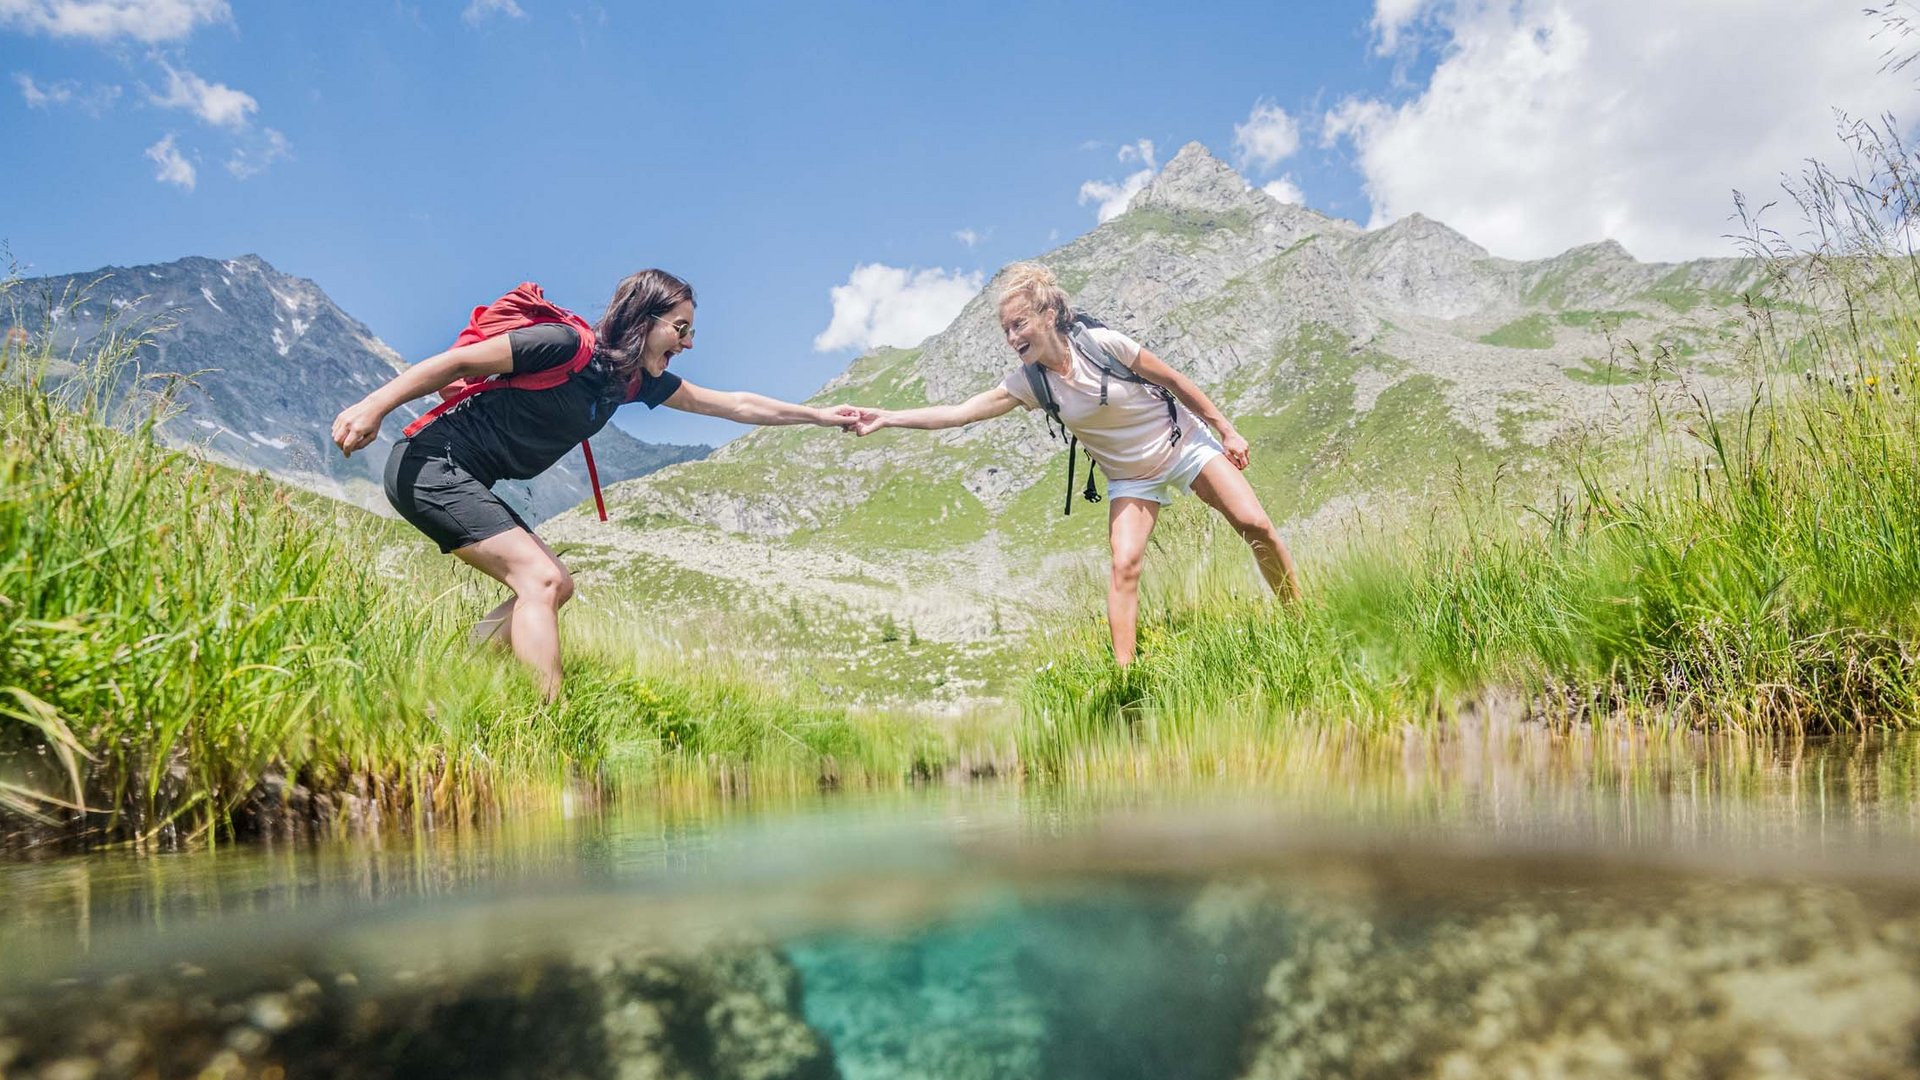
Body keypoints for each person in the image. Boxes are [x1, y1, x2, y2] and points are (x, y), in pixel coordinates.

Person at [332, 269, 857, 697]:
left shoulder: (631, 382)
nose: (689, 342)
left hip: (459, 473)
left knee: (558, 584)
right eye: (681, 327)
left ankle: (449, 673)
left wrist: (822, 416)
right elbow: (459, 362)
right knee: (539, 581)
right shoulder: (563, 346)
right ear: (644, 318)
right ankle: (545, 724)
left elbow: (736, 404)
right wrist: (372, 406)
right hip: (429, 464)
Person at [848, 262, 1300, 666]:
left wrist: (1227, 430)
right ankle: (1126, 673)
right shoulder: (1029, 384)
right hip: (1131, 479)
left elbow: (1175, 380)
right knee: (1124, 563)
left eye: (1019, 324)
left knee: (1254, 524)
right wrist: (887, 417)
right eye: (1006, 330)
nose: (1012, 338)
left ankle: (1298, 619)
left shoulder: (1103, 345)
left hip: (1183, 445)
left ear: (1048, 316)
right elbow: (960, 412)